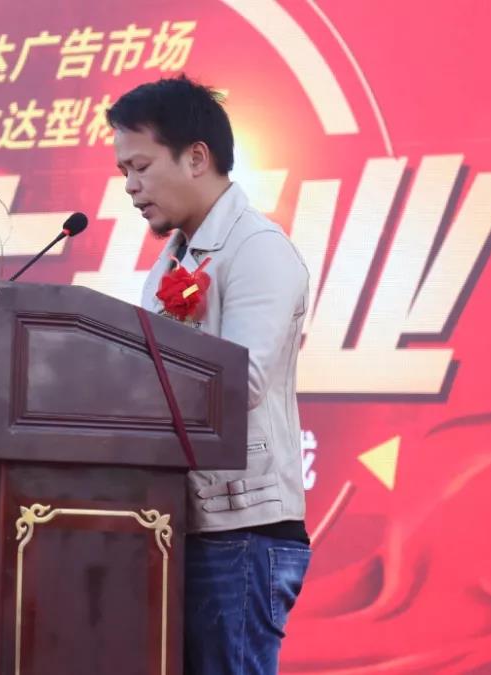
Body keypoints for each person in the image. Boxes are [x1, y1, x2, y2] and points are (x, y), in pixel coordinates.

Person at [108, 75, 312, 674]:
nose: (130, 186)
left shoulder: (257, 249)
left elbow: (238, 383)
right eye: (124, 171)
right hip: (184, 520)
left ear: (196, 157)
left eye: (141, 166)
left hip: (243, 528)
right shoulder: (175, 257)